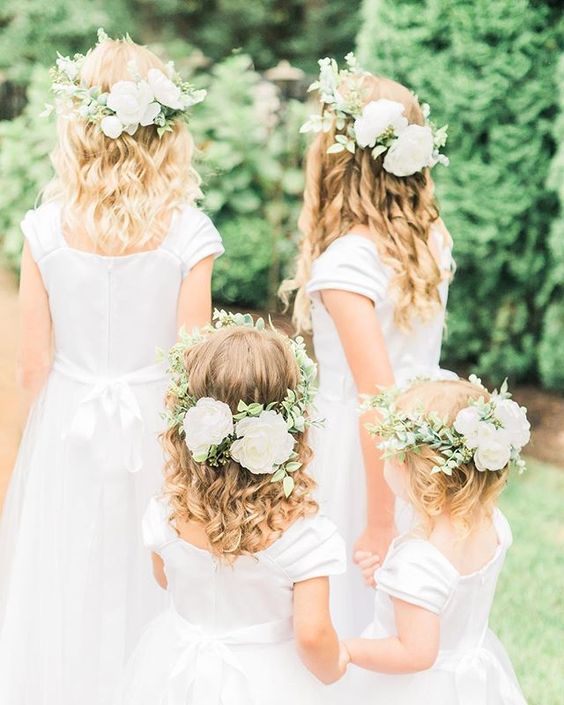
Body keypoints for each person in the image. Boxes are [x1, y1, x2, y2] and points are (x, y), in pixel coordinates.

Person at [0, 31, 223, 705]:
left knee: (64, 574)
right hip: (155, 431)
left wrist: (11, 472)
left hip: (66, 425)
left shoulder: (44, 229)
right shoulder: (190, 234)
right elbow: (192, 374)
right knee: (146, 573)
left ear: (79, 125)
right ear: (164, 130)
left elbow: (31, 364)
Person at [280, 52, 452, 633]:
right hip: (428, 440)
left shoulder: (348, 264)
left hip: (363, 462)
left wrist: (379, 522)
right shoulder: (431, 238)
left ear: (335, 159)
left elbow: (376, 407)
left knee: (355, 604)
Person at [116, 312, 348, 705]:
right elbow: (312, 635)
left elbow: (165, 578)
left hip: (179, 670)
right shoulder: (304, 535)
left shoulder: (169, 512)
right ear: (290, 422)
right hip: (270, 683)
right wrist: (336, 665)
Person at [345, 376, 529, 704]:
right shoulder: (493, 524)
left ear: (407, 465)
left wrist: (346, 648)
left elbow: (415, 653)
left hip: (416, 691)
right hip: (471, 677)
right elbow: (444, 596)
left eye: (388, 451)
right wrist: (394, 583)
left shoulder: (419, 559)